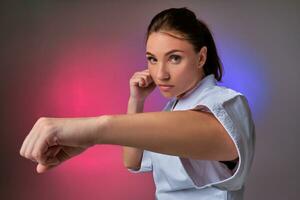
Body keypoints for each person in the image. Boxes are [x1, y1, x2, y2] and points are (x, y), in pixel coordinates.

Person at [19, 7, 255, 200]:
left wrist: (95, 130)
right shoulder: (172, 109)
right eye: (152, 59)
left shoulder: (227, 103)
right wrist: (137, 100)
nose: (160, 74)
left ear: (201, 57)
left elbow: (215, 135)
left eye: (174, 58)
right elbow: (132, 160)